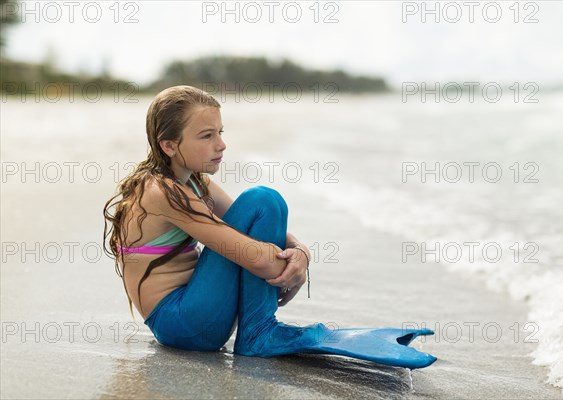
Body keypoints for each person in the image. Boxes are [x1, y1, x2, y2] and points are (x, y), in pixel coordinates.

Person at [103, 85, 436, 369]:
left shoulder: (193, 182)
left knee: (265, 201)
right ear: (168, 145)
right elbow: (253, 254)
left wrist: (301, 254)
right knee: (263, 198)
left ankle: (259, 329)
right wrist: (285, 266)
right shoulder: (162, 192)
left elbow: (252, 226)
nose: (221, 145)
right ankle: (259, 332)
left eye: (220, 133)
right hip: (182, 323)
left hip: (194, 315)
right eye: (207, 136)